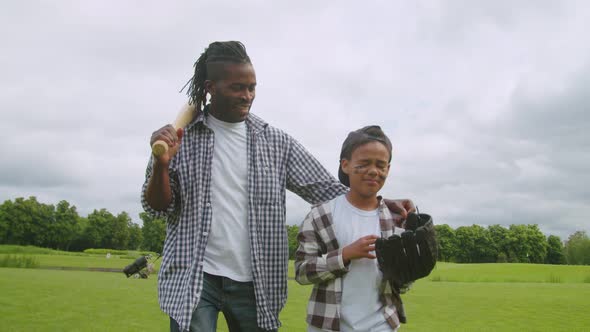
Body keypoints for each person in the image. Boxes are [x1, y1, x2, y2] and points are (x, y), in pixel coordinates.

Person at [141, 41, 415, 332]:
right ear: (211, 87)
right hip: (195, 276)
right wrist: (162, 163)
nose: (247, 96)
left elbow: (327, 190)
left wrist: (381, 204)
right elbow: (157, 208)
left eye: (252, 87)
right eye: (237, 88)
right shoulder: (179, 138)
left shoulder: (276, 143)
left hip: (255, 281)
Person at [295, 125, 407, 332]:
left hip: (382, 326)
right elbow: (302, 272)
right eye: (364, 163)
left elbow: (400, 282)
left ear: (388, 169)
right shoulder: (320, 215)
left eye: (381, 165)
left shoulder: (395, 219)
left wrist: (411, 272)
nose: (373, 171)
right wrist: (344, 255)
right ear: (345, 165)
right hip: (327, 326)